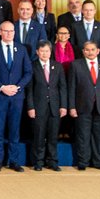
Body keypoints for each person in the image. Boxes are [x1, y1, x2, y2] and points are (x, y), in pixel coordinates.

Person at [0, 21, 32, 172]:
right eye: (5, 31)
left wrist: (17, 87)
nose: (9, 34)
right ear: (0, 32)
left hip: (17, 96)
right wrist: (2, 87)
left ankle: (14, 161)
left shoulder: (22, 49)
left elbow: (28, 72)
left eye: (11, 31)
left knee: (14, 130)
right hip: (0, 95)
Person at [68, 40, 100, 171]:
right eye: (87, 50)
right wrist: (71, 107)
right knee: (83, 135)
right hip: (82, 106)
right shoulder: (76, 65)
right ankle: (83, 162)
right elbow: (71, 87)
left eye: (92, 49)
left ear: (98, 51)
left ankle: (99, 162)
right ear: (83, 51)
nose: (90, 52)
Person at [25, 40, 67, 171]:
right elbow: (29, 89)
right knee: (39, 136)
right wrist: (30, 107)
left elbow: (62, 88)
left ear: (50, 52)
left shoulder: (58, 66)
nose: (44, 53)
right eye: (42, 51)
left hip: (55, 107)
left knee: (53, 136)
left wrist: (63, 106)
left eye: (47, 51)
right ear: (37, 52)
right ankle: (38, 162)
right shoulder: (31, 66)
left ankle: (52, 161)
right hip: (38, 107)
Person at [53, 26, 76, 141]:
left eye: (65, 33)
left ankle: (67, 131)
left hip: (70, 80)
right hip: (55, 81)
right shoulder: (52, 48)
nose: (63, 35)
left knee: (69, 104)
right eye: (60, 33)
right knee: (58, 105)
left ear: (69, 35)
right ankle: (58, 131)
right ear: (57, 35)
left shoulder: (75, 49)